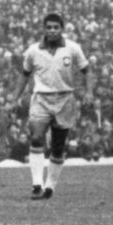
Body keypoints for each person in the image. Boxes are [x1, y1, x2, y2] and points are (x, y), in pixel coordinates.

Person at [13, 13, 89, 200]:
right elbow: (24, 74)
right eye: (49, 27)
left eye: (56, 27)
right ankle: (36, 185)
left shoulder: (72, 48)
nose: (52, 31)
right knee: (36, 137)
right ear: (44, 29)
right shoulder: (33, 50)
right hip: (41, 99)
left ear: (61, 29)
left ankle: (50, 187)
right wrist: (15, 98)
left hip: (65, 98)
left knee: (58, 146)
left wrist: (90, 92)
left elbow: (87, 71)